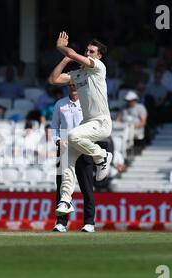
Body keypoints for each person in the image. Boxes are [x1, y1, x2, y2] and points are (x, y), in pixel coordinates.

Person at [48, 32, 112, 217]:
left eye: (92, 51)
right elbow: (54, 80)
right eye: (87, 50)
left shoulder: (98, 67)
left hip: (101, 121)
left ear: (99, 55)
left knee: (72, 136)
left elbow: (76, 55)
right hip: (87, 123)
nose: (88, 53)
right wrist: (65, 59)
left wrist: (63, 49)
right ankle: (66, 200)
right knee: (67, 159)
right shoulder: (78, 75)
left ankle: (102, 156)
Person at [50, 84, 97, 232]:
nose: (73, 87)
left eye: (76, 85)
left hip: (83, 149)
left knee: (87, 187)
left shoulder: (88, 103)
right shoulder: (60, 103)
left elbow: (94, 126)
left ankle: (89, 223)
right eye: (71, 85)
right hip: (64, 149)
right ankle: (61, 223)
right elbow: (54, 126)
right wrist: (58, 141)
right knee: (62, 187)